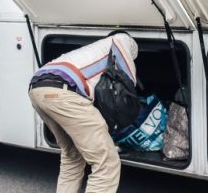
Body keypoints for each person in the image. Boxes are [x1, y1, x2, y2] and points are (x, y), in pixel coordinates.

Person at [29, 34, 139, 193]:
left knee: (72, 157)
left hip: (38, 89)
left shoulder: (88, 52)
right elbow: (126, 89)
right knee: (106, 163)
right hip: (64, 94)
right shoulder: (122, 40)